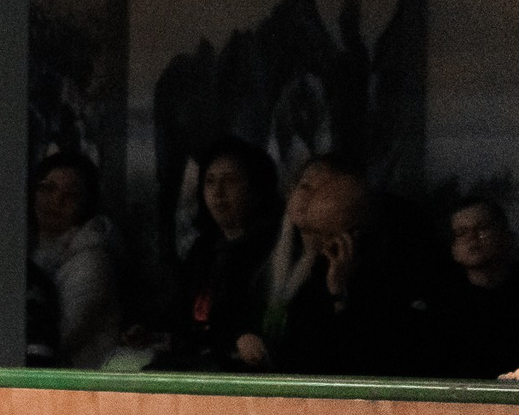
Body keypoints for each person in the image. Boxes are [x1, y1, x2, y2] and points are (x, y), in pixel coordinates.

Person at [275, 158, 464, 377]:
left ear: (349, 236)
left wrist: (340, 296)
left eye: (323, 236)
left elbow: (376, 359)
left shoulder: (405, 267)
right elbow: (299, 355)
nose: (318, 245)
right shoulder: (319, 269)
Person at [164, 138, 277, 371]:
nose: (218, 192)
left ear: (256, 188)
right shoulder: (204, 248)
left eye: (230, 181)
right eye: (210, 182)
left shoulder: (273, 250)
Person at [26, 150, 123, 368]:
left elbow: (60, 338)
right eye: (47, 188)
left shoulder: (92, 261)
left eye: (71, 195)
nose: (56, 200)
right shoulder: (27, 249)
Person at [448, 196, 519, 379]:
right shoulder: (446, 306)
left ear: (505, 236)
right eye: (461, 232)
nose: (472, 238)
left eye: (482, 228)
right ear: (453, 249)